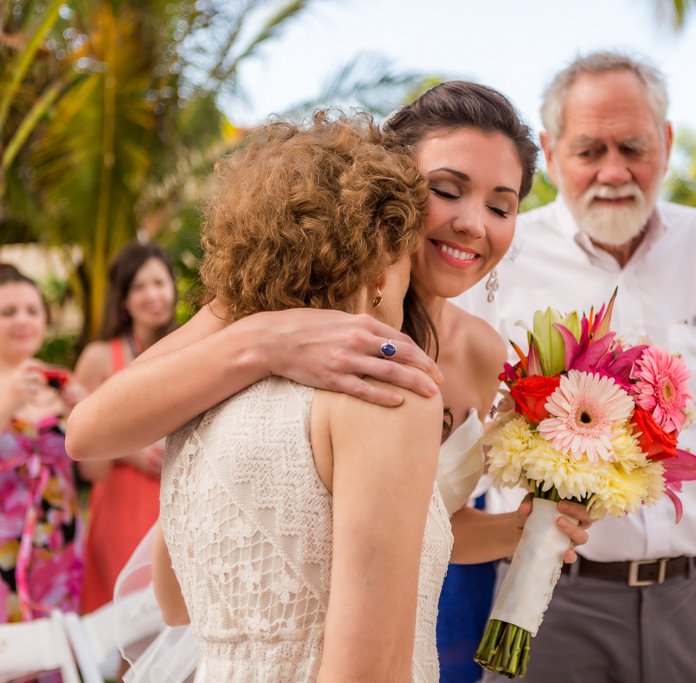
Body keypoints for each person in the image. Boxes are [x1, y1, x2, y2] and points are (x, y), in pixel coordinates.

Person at [65, 82, 591, 676]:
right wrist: (263, 341)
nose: (473, 223)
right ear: (384, 182)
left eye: (502, 206)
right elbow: (88, 429)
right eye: (446, 191)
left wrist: (519, 530)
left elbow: (417, 526)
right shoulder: (263, 300)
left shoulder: (482, 356)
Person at [454, 51, 696, 683]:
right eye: (589, 150)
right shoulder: (498, 255)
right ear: (548, 149)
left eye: (633, 146)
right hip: (546, 603)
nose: (614, 171)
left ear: (667, 141)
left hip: (686, 600)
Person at [150, 111, 450, 680]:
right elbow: (369, 670)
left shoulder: (198, 398)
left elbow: (174, 603)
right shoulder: (385, 392)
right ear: (383, 263)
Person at [75, 243, 178, 615]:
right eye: (138, 287)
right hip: (122, 504)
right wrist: (131, 451)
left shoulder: (194, 350)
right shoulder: (99, 358)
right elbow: (81, 450)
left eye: (158, 283)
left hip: (177, 500)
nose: (152, 295)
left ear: (173, 288)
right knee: (127, 623)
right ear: (123, 298)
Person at [0, 264, 88, 624]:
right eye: (8, 312)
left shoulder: (62, 382)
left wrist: (87, 409)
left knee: (59, 651)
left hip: (58, 543)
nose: (23, 320)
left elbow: (96, 471)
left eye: (32, 311)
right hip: (5, 542)